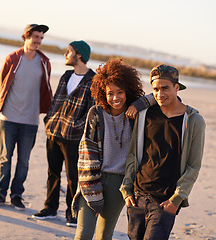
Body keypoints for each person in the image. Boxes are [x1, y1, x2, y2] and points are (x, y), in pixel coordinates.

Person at [120, 64, 206, 239]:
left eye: (165, 88)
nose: (160, 94)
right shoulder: (145, 115)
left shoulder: (193, 121)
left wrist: (176, 199)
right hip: (137, 197)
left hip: (165, 201)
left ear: (177, 87)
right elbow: (133, 155)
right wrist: (126, 189)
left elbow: (193, 166)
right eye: (155, 89)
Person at [73, 58, 153, 239]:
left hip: (120, 183)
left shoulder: (136, 114)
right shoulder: (96, 113)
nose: (115, 98)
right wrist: (93, 187)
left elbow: (163, 96)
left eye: (120, 92)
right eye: (110, 93)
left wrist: (139, 104)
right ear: (103, 92)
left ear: (128, 91)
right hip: (92, 178)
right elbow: (87, 151)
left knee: (104, 235)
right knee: (83, 234)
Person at [0, 24, 52, 210]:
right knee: (5, 158)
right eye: (35, 37)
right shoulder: (12, 58)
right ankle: (0, 194)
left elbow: (45, 89)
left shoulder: (44, 62)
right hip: (9, 117)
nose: (38, 41)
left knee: (24, 161)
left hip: (31, 120)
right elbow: (3, 84)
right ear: (26, 37)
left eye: (41, 38)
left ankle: (16, 195)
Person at [32, 40, 95, 227]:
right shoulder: (66, 76)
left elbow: (92, 111)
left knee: (73, 177)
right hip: (54, 132)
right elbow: (55, 101)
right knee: (52, 172)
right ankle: (50, 208)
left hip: (73, 138)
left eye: (69, 52)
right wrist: (49, 120)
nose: (66, 55)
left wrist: (76, 126)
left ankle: (73, 213)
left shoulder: (94, 80)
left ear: (79, 56)